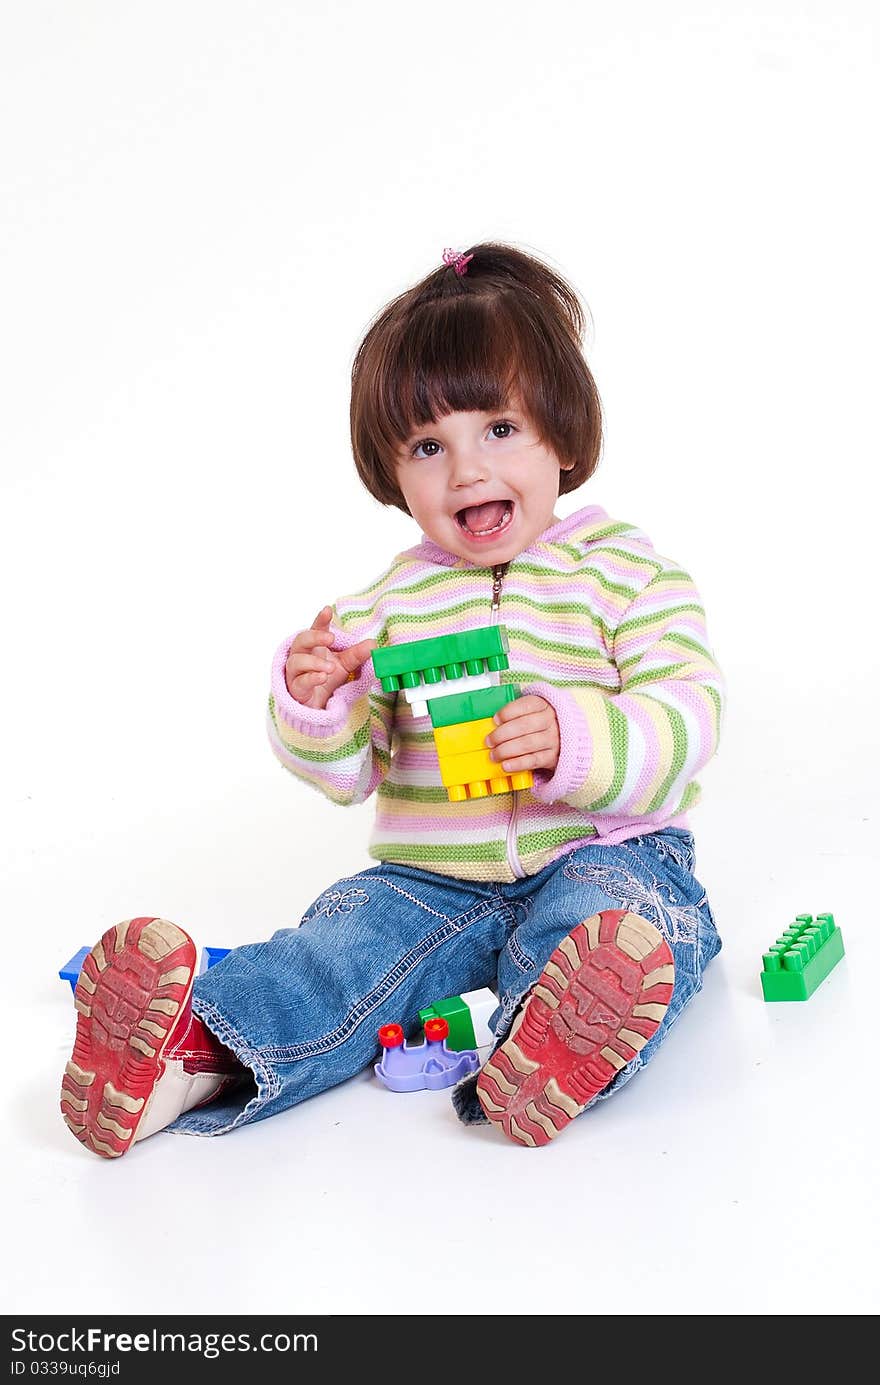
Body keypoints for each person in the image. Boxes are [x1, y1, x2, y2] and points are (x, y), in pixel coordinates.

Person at [61, 242, 724, 1157]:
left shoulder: (626, 572)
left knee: (627, 921)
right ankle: (186, 1052)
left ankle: (555, 1039)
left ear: (564, 436)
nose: (466, 471)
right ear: (391, 472)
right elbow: (348, 773)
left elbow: (690, 711)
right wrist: (319, 705)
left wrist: (579, 736)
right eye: (427, 445)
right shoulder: (384, 607)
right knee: (338, 949)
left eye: (499, 429)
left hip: (604, 846)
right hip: (428, 878)